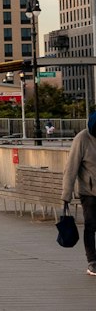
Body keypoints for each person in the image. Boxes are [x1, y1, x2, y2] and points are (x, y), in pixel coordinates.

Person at [61, 110, 96, 276]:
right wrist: (66, 195)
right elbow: (71, 169)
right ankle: (92, 261)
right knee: (91, 225)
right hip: (89, 192)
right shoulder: (82, 139)